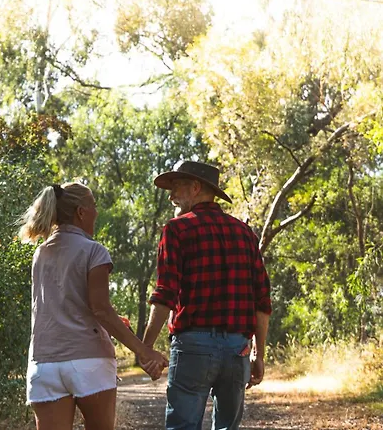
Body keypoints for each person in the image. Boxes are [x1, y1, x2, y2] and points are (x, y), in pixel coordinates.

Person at [18, 182, 168, 430]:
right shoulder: (94, 251)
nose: (97, 212)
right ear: (81, 212)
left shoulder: (40, 254)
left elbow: (67, 305)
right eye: (94, 206)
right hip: (89, 362)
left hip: (44, 363)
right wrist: (143, 351)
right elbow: (100, 309)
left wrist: (110, 322)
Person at [141, 161, 272, 430]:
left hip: (193, 346)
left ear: (195, 187)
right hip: (237, 348)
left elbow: (165, 293)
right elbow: (262, 300)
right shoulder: (246, 234)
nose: (171, 195)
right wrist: (258, 354)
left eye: (176, 187)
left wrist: (145, 347)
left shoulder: (177, 229)